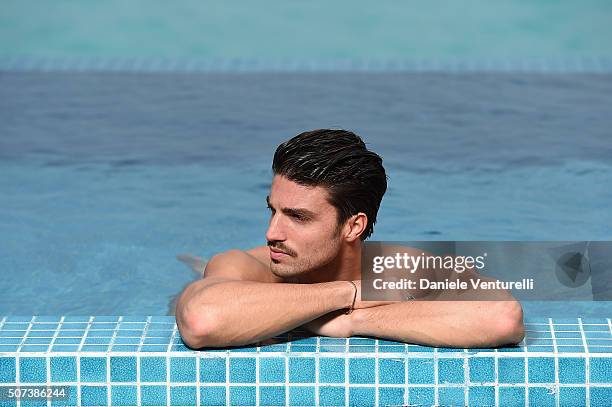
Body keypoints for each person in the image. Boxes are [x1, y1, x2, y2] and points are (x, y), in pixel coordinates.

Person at [175, 129, 525, 348]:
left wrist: (351, 321)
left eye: (298, 217)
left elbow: (502, 318)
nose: (272, 234)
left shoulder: (407, 268)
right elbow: (202, 320)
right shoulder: (248, 264)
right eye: (273, 211)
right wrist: (350, 293)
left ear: (353, 227)